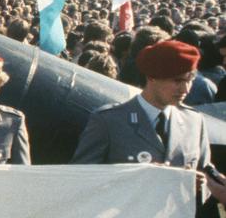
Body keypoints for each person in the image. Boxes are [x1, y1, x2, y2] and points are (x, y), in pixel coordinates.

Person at [72, 40, 211, 169]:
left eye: (190, 80)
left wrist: (200, 184)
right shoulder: (110, 121)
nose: (185, 89)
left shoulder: (194, 121)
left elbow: (206, 174)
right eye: (177, 81)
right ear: (152, 77)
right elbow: (82, 177)